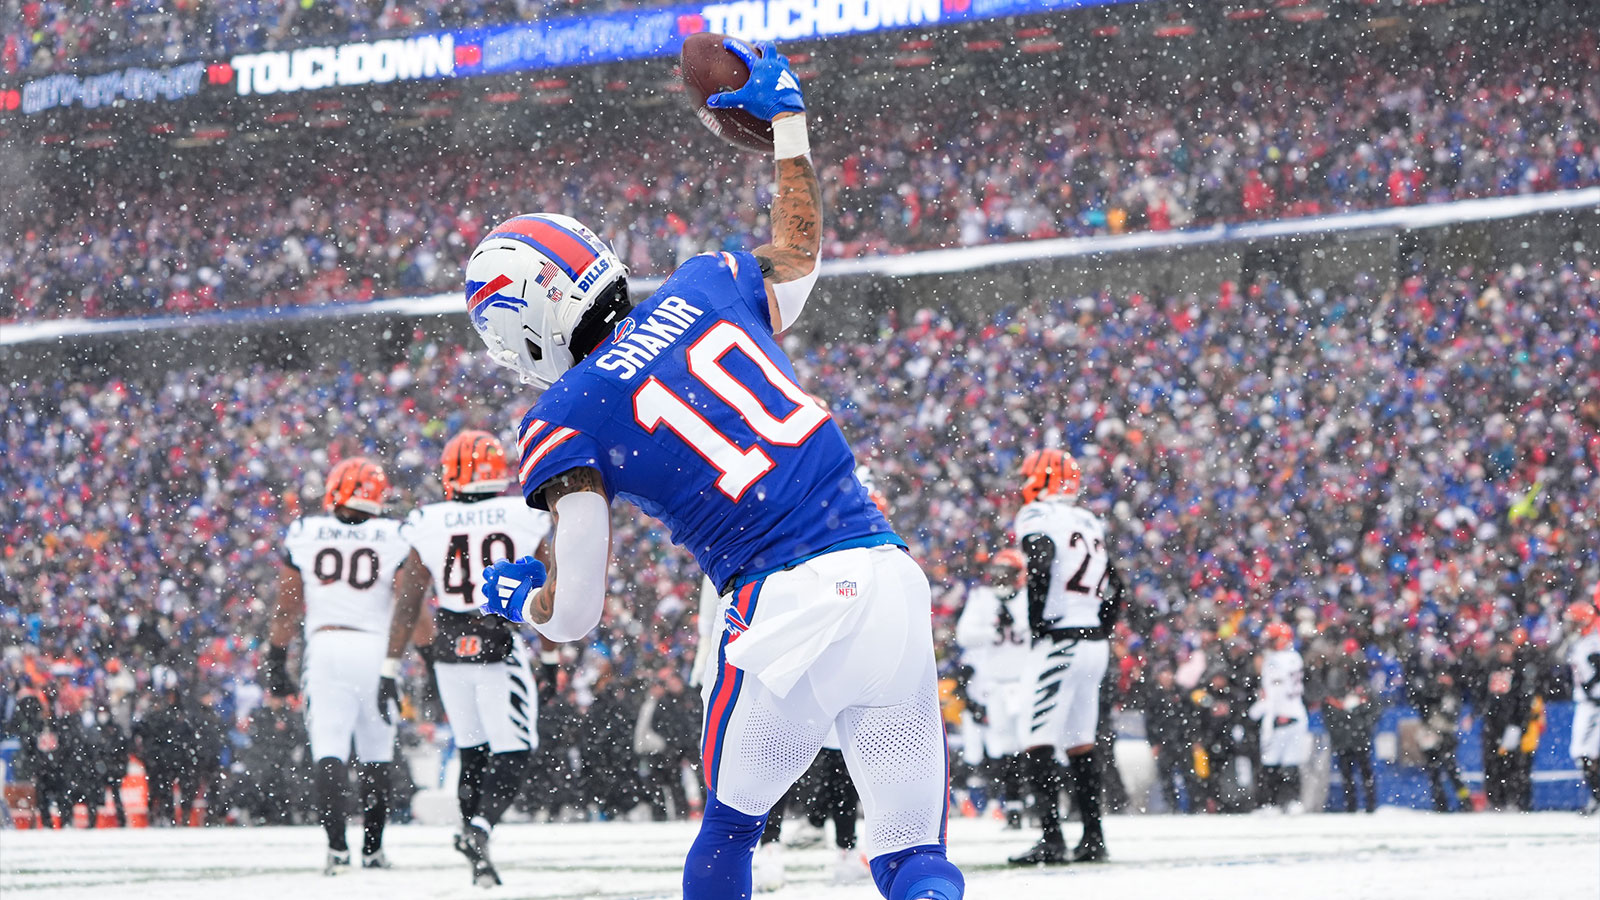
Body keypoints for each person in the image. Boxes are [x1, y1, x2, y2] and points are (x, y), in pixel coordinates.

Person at [466, 40, 963, 900]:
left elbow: (576, 612)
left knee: (732, 828)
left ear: (526, 322)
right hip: (886, 575)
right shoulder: (708, 282)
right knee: (912, 856)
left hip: (784, 607)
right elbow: (800, 252)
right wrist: (790, 132)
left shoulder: (564, 415)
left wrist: (519, 599)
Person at [386, 430, 552, 887]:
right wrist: (553, 657)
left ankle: (475, 847)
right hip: (498, 638)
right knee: (515, 748)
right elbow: (547, 588)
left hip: (449, 647)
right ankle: (479, 829)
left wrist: (391, 664)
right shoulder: (523, 514)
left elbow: (408, 600)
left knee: (472, 751)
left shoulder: (429, 520)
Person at [266, 456, 425, 875]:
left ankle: (337, 850)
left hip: (326, 646)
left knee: (329, 750)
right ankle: (373, 850)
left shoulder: (306, 532)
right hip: (375, 647)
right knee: (376, 754)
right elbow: (409, 606)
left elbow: (286, 608)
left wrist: (275, 659)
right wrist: (423, 655)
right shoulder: (394, 535)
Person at [1006, 449, 1126, 865]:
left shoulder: (1039, 516)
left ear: (1041, 478)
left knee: (1036, 738)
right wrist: (1101, 626)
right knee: (1080, 742)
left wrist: (1040, 621)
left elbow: (1040, 562)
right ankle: (1093, 836)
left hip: (1061, 639)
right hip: (1092, 641)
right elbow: (1118, 584)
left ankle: (1052, 838)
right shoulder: (1088, 519)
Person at [954, 550, 1032, 828]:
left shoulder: (1029, 598)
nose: (1001, 578)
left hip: (1025, 681)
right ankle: (1013, 806)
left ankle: (1036, 803)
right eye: (998, 572)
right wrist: (993, 630)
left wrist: (1019, 626)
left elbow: (1038, 629)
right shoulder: (982, 599)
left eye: (1007, 572)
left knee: (1031, 743)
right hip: (997, 682)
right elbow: (964, 635)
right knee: (1004, 745)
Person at [1251, 622, 1309, 813]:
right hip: (1297, 713)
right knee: (1291, 762)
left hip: (1280, 715)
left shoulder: (1275, 661)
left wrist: (1257, 711)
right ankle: (1292, 801)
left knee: (1271, 762)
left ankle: (1271, 803)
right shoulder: (1295, 657)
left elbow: (1275, 693)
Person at [1142, 667, 1197, 813]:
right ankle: (1171, 806)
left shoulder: (1182, 693)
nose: (1167, 677)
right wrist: (1154, 743)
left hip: (1182, 740)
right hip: (1164, 742)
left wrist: (1192, 738)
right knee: (1166, 776)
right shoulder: (1154, 696)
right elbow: (1150, 722)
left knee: (1189, 775)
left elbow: (1192, 717)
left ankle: (1193, 806)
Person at [1562, 600, 1600, 813]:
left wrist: (1590, 686)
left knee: (1583, 752)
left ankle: (1596, 797)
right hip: (1586, 703)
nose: (1569, 626)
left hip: (1594, 704)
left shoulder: (1592, 642)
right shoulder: (1582, 642)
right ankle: (1596, 797)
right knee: (1585, 753)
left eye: (1573, 622)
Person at [1323, 685, 1379, 813]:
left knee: (1365, 773)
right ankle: (1351, 805)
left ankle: (1370, 804)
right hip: (1344, 742)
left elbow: (1374, 711)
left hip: (1359, 741)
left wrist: (1361, 726)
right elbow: (1330, 719)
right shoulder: (1333, 697)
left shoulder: (1363, 691)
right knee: (1347, 775)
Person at [85, 703, 130, 827]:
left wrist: (120, 767)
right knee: (94, 797)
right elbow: (88, 750)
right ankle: (92, 822)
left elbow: (122, 749)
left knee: (116, 796)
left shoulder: (115, 729)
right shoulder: (93, 730)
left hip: (113, 768)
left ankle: (122, 821)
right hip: (97, 769)